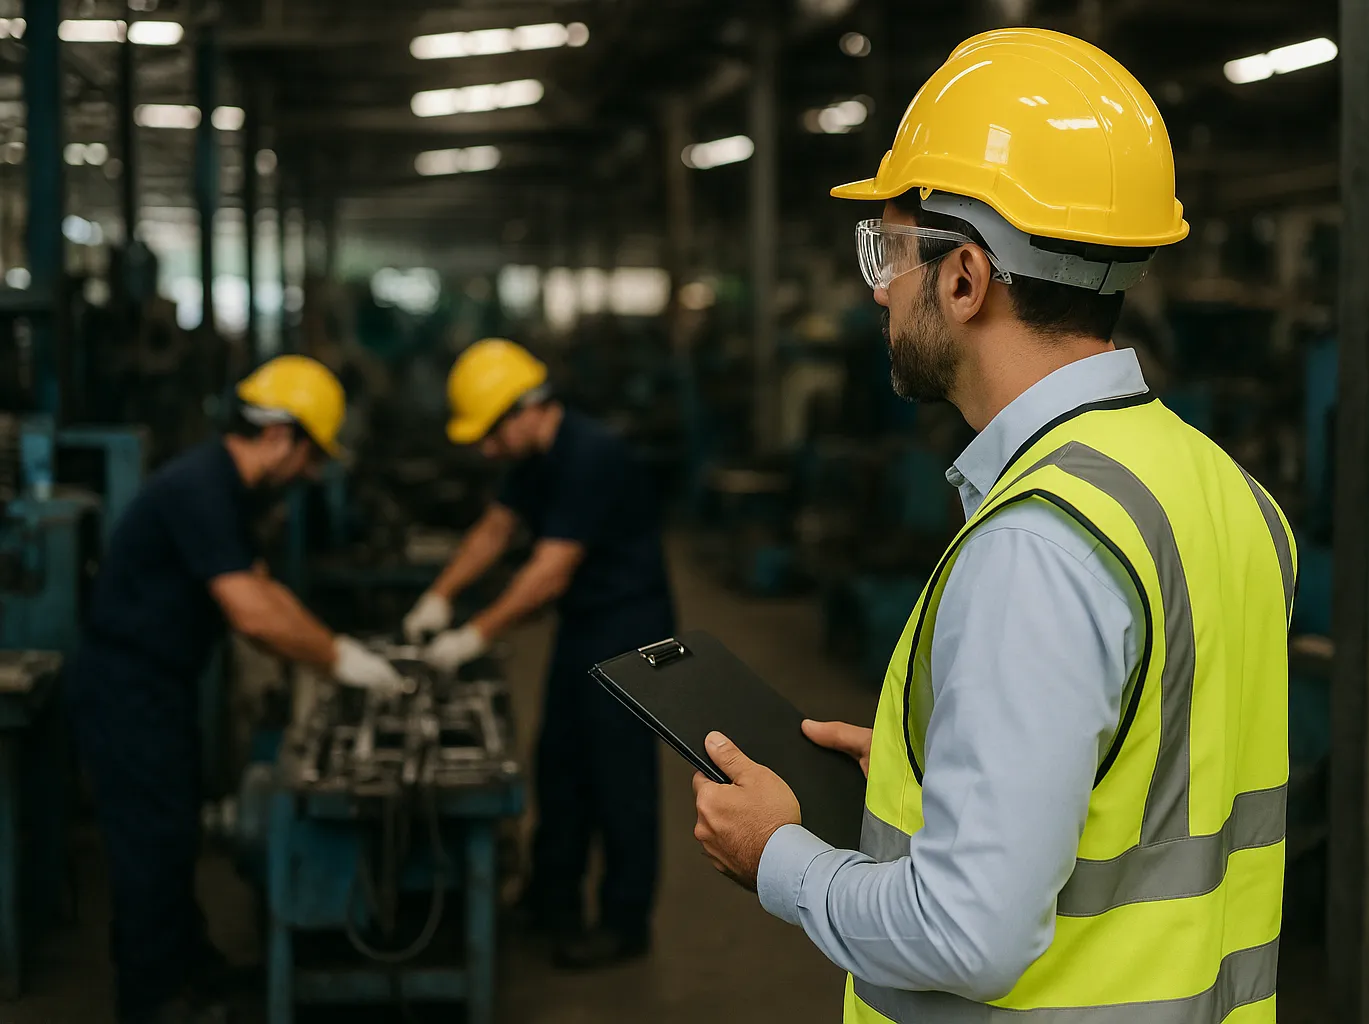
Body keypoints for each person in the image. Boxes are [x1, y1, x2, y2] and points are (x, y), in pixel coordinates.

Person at [691, 29, 1295, 1023]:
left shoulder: (1037, 546)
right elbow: (1145, 782)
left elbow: (968, 934)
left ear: (966, 278)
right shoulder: (1222, 488)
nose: (880, 289)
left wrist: (779, 857)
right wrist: (941, 781)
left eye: (888, 252)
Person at [68, 355, 409, 1024]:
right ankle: (153, 999)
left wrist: (337, 652)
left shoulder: (226, 489)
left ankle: (189, 966)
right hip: (126, 689)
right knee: (151, 843)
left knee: (172, 836)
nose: (312, 474)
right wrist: (340, 662)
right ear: (281, 436)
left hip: (161, 686)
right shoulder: (201, 487)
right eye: (311, 456)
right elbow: (250, 613)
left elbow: (265, 591)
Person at [402, 338, 673, 969]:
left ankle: (623, 923)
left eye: (490, 435)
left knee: (619, 782)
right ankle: (552, 899)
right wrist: (438, 596)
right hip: (584, 625)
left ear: (525, 410)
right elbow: (495, 528)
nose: (486, 449)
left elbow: (549, 572)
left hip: (633, 635)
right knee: (560, 764)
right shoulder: (533, 456)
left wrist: (475, 634)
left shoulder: (591, 456)